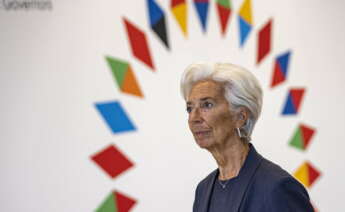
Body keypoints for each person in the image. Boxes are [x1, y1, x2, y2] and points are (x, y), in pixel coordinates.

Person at [180, 62, 314, 212]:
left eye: (207, 105)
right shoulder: (203, 190)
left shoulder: (278, 188)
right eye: (190, 108)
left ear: (240, 117)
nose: (193, 118)